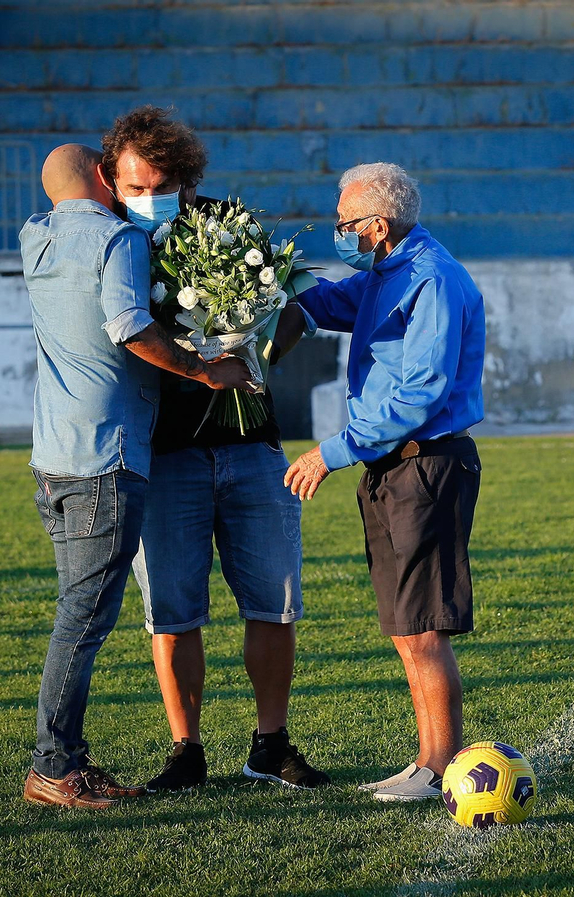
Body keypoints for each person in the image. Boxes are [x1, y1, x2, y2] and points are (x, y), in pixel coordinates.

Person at [102, 106, 331, 792]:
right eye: (134, 185)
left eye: (162, 183)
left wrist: (262, 352)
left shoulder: (232, 227)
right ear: (111, 181)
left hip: (252, 443)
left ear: (189, 178)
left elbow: (293, 301)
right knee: (172, 611)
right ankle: (186, 750)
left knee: (273, 601)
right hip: (162, 453)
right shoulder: (111, 242)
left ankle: (270, 742)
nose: (148, 198)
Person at [20, 144, 253, 809]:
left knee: (76, 611)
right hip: (106, 454)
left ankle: (63, 760)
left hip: (53, 457)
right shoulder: (118, 236)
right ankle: (55, 766)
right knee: (82, 619)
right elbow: (127, 325)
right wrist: (210, 367)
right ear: (104, 178)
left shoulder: (34, 236)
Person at [284, 162, 486, 802]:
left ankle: (443, 765)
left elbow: (422, 393)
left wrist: (330, 452)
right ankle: (428, 761)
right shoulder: (384, 272)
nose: (339, 233)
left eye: (345, 223)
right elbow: (316, 304)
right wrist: (249, 314)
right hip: (391, 465)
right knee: (406, 626)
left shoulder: (431, 278)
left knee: (424, 628)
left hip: (425, 463)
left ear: (377, 225)